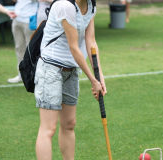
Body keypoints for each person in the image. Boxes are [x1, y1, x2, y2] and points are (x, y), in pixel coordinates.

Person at [34, 0, 107, 159]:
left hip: (71, 70)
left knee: (69, 124)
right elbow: (74, 47)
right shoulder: (65, 6)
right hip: (50, 69)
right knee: (49, 128)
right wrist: (92, 80)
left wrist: (99, 75)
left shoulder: (90, 5)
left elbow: (91, 41)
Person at [8, 0, 38, 83]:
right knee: (19, 47)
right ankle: (21, 74)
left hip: (30, 18)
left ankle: (34, 74)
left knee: (31, 49)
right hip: (17, 17)